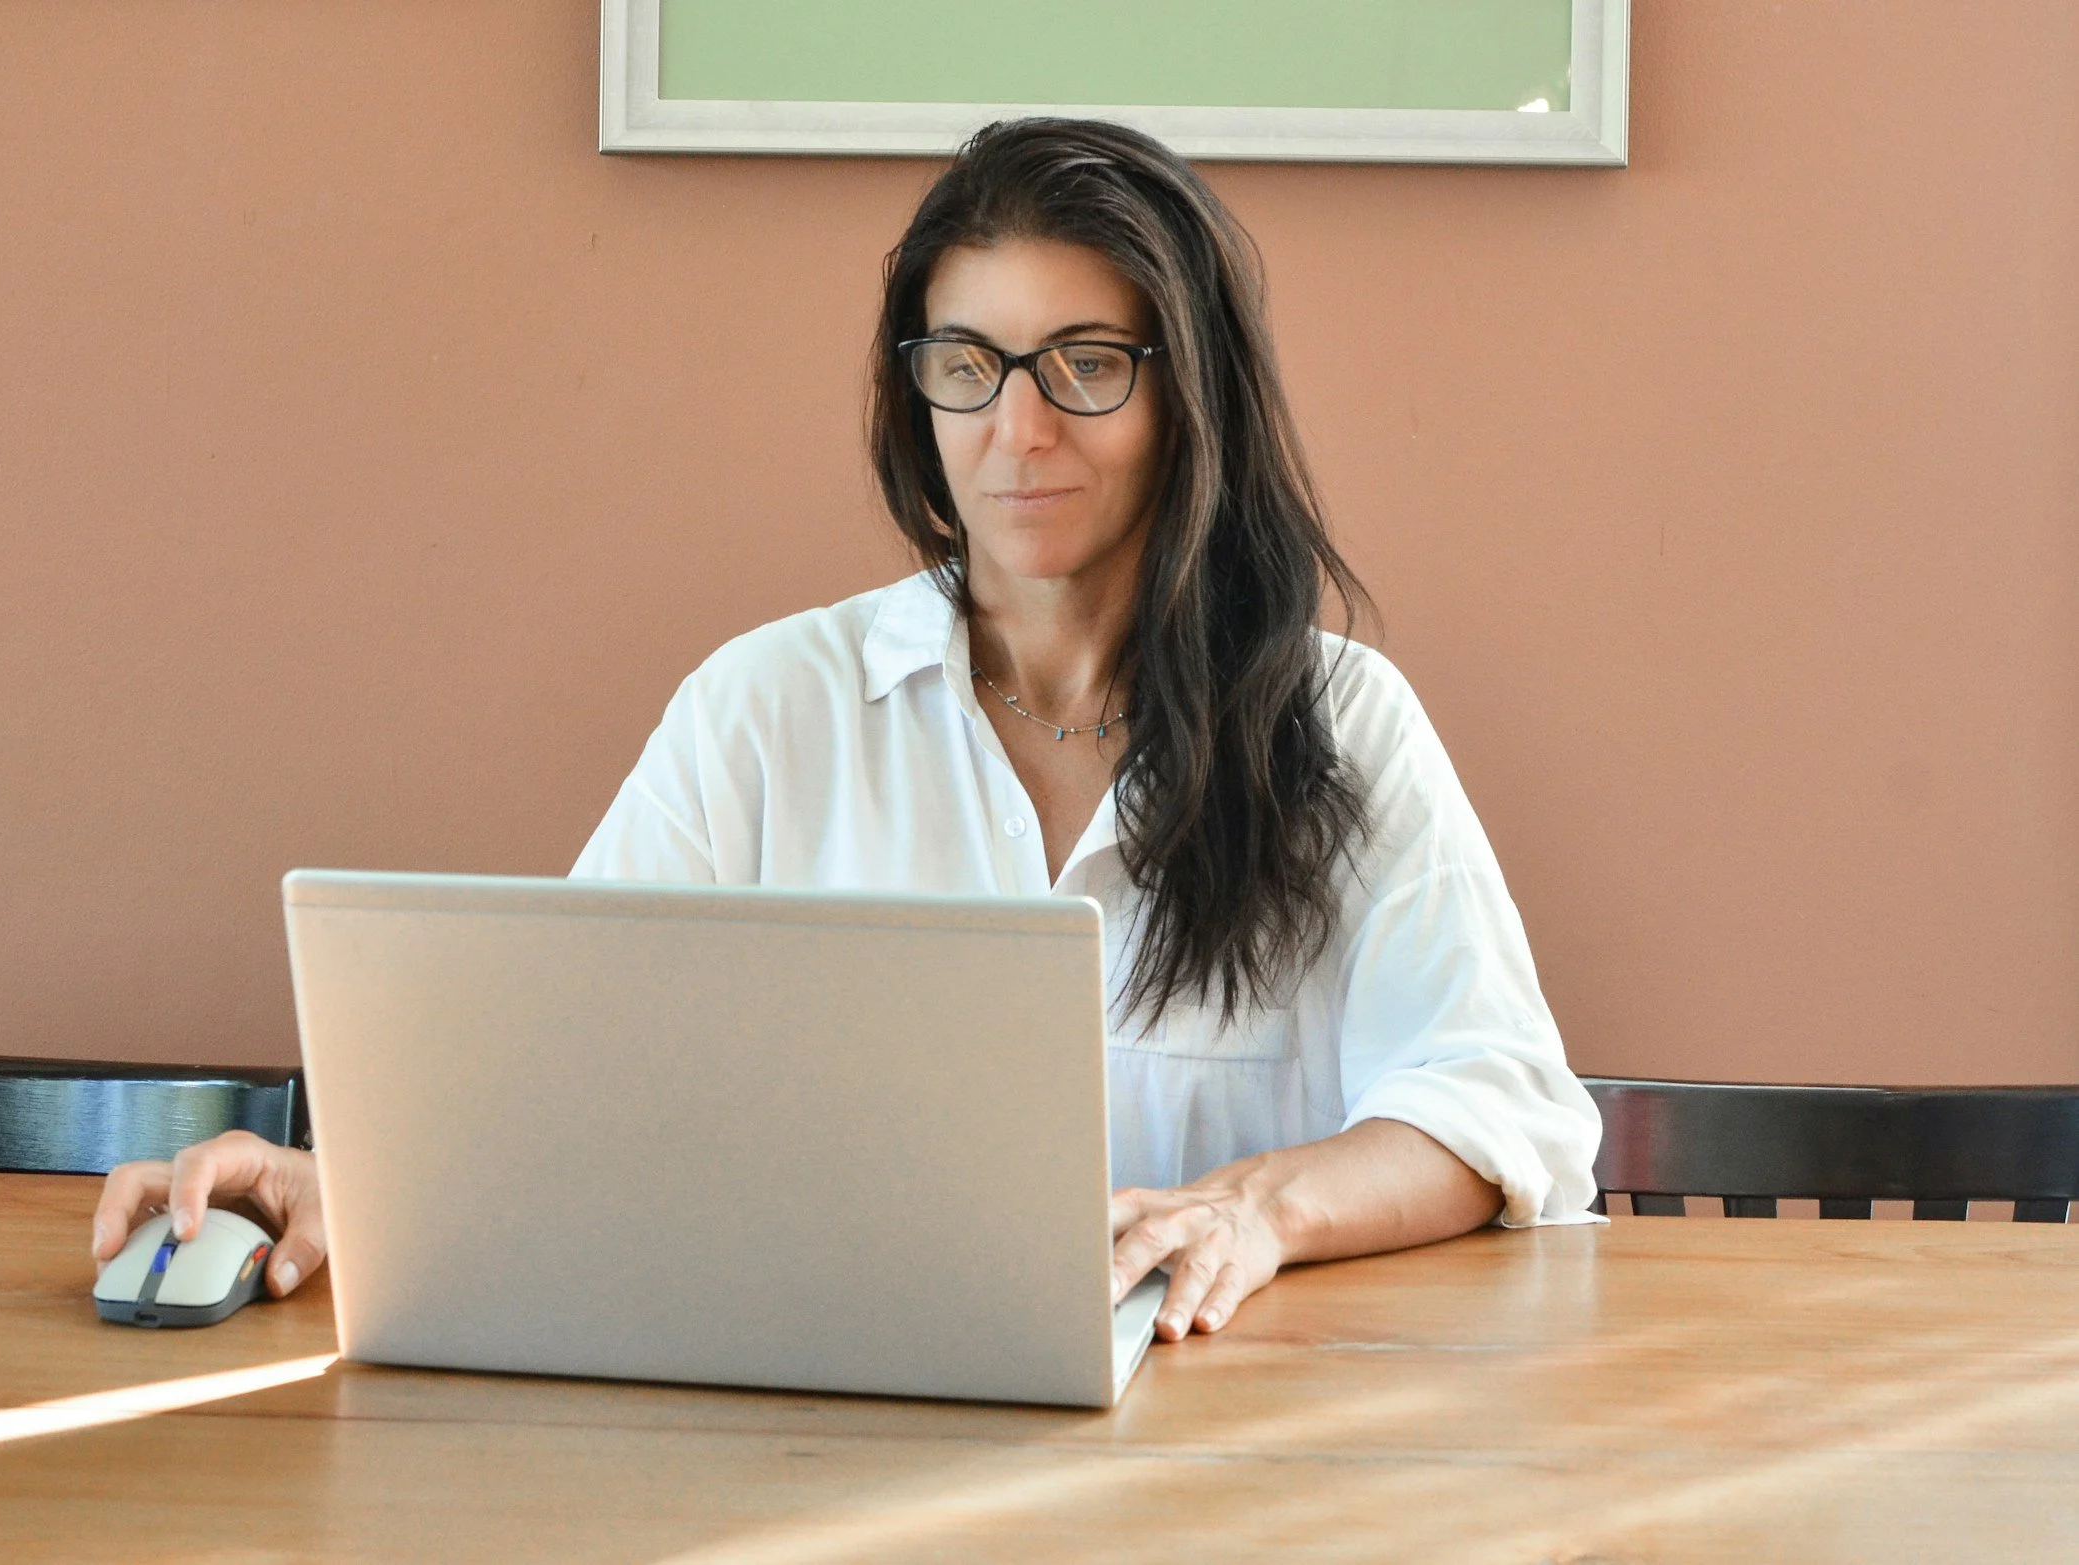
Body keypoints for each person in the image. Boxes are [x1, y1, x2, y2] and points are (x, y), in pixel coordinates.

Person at [92, 117, 1601, 1344]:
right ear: (917, 397)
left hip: (1251, 1447)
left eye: (1087, 363)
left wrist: (1255, 1209)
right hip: (830, 1432)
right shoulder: (766, 709)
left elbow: (1493, 1104)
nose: (1019, 430)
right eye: (969, 366)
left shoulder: (1337, 724)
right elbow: (568, 1074)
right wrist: (343, 1183)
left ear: (1186, 398)